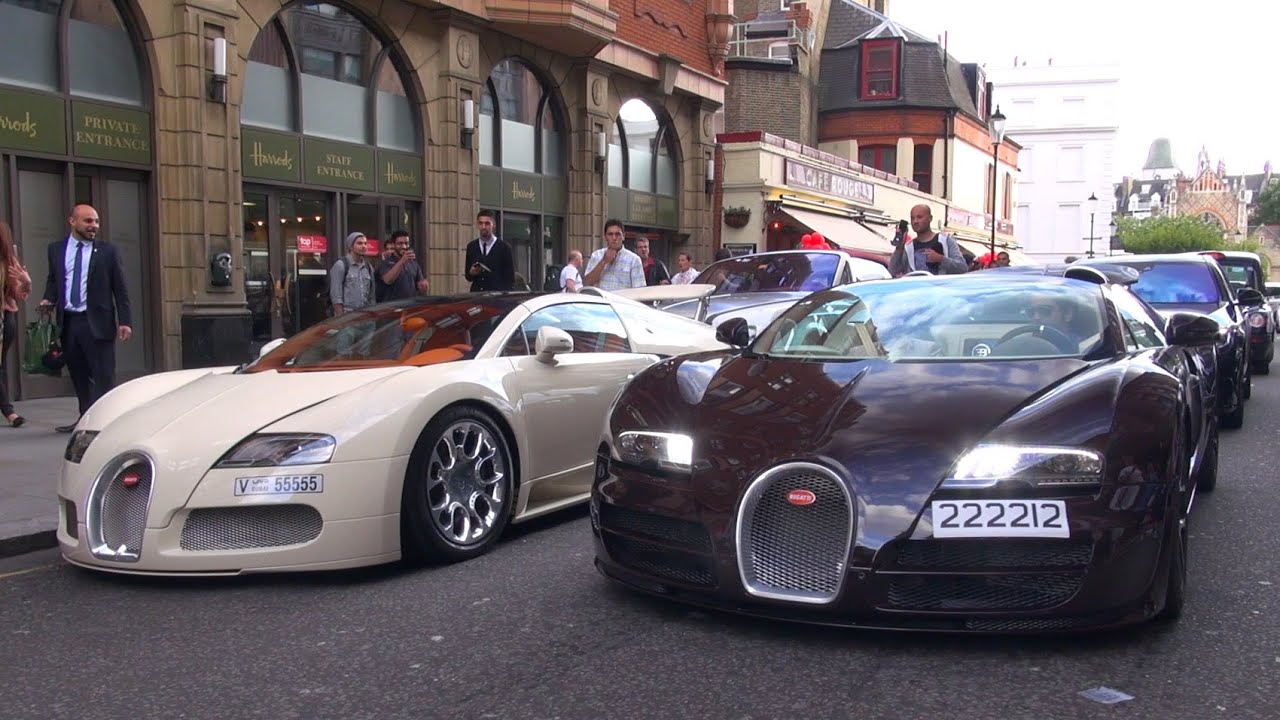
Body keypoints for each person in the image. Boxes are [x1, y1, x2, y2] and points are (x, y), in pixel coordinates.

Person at [40, 204, 133, 433]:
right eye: (88, 221)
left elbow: (120, 288)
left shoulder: (108, 251)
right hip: (70, 321)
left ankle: (108, 421)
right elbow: (54, 280)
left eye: (96, 222)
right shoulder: (56, 249)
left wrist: (125, 321)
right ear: (72, 221)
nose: (94, 226)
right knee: (79, 373)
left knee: (103, 374)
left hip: (98, 321)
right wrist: (47, 299)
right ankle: (85, 420)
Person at [1, 220, 32, 427]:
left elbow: (21, 294)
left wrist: (26, 281)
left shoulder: (8, 261)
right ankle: (9, 411)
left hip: (4, 319)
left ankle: (8, 411)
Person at [888, 204, 967, 276]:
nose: (915, 221)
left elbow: (963, 268)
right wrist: (899, 247)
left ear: (930, 218)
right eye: (912, 218)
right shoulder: (909, 248)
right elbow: (892, 271)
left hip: (941, 289)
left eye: (919, 217)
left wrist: (941, 259)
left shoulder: (945, 241)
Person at [583, 219, 645, 291]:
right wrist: (603, 261)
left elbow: (640, 289)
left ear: (623, 236)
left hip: (622, 301)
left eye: (617, 234)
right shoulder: (596, 255)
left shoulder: (634, 260)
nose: (614, 238)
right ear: (605, 237)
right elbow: (587, 283)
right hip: (601, 301)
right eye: (610, 234)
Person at [464, 210, 515, 291]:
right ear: (477, 225)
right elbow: (468, 277)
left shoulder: (504, 248)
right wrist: (471, 273)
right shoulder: (471, 246)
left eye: (487, 223)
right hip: (476, 296)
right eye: (480, 223)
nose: (483, 227)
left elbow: (510, 280)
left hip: (495, 298)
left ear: (493, 224)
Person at [329, 232, 375, 315]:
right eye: (359, 243)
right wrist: (341, 318)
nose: (363, 246)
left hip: (365, 316)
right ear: (350, 246)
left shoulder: (368, 267)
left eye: (365, 243)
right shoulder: (341, 265)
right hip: (348, 315)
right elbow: (336, 295)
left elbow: (372, 295)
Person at [378, 230, 429, 301]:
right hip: (391, 308)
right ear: (393, 244)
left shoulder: (413, 263)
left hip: (410, 307)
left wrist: (423, 286)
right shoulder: (386, 262)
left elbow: (420, 286)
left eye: (406, 243)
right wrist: (402, 261)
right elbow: (387, 280)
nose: (404, 246)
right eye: (400, 243)